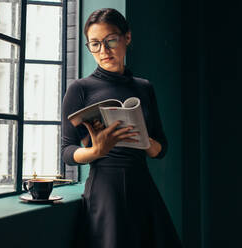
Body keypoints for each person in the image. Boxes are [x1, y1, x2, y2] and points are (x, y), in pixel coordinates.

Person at [61, 8, 182, 248]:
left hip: (142, 187)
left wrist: (144, 140)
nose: (103, 51)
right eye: (94, 44)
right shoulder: (79, 89)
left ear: (127, 37)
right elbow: (67, 152)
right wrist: (96, 151)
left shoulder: (144, 87)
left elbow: (162, 148)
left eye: (110, 41)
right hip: (104, 190)